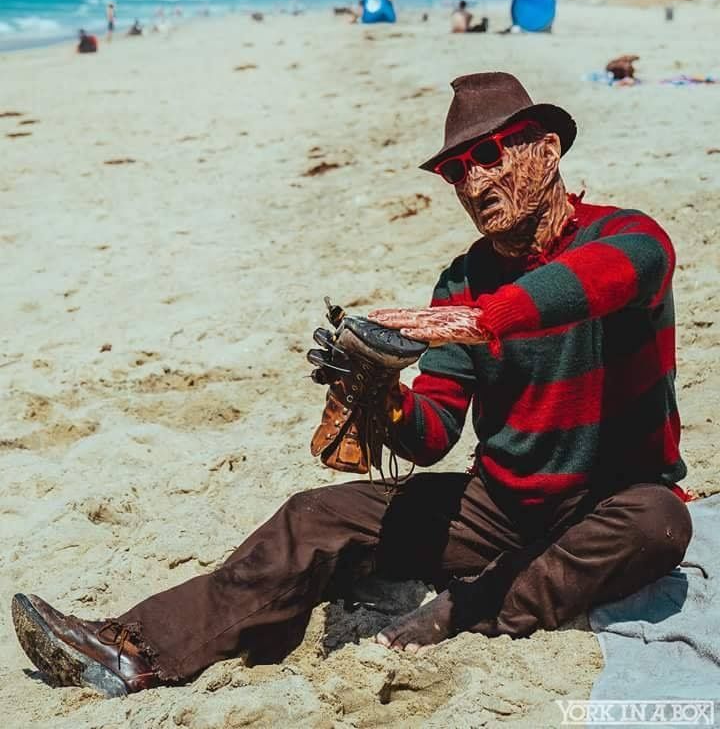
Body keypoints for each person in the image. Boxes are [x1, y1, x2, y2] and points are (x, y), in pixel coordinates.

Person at [11, 72, 691, 696]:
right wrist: (382, 397)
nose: (473, 181)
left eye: (492, 156)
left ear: (546, 150)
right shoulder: (460, 279)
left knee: (661, 522)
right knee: (314, 516)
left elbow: (599, 278)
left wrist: (475, 321)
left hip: (612, 503)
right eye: (456, 170)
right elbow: (433, 435)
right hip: (502, 508)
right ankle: (134, 647)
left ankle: (467, 610)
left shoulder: (628, 237)